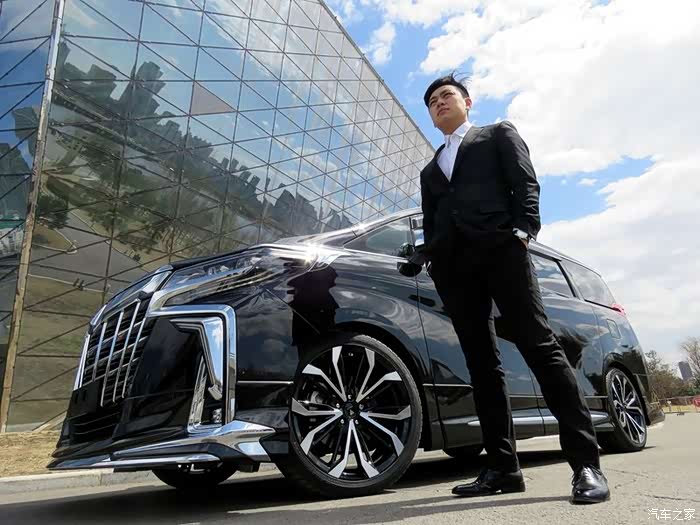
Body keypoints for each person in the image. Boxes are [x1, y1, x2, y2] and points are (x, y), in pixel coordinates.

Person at [412, 73, 610, 504]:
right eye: (431, 102)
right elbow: (433, 222)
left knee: (540, 347)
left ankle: (586, 465)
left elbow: (526, 182)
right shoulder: (430, 169)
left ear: (467, 101)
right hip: (455, 271)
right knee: (481, 366)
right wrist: (426, 256)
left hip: (503, 253)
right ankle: (503, 468)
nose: (438, 103)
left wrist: (523, 232)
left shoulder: (497, 134)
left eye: (446, 95)